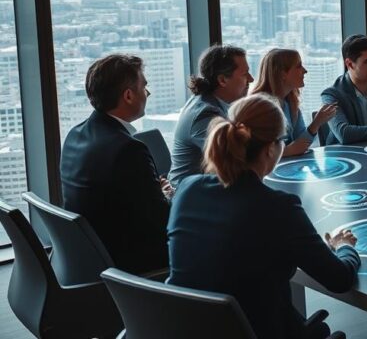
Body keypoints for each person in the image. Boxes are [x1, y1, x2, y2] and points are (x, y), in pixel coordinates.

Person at [167, 94, 360, 339]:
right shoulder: (279, 207)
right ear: (271, 149)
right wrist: (344, 247)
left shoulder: (188, 189)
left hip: (184, 330)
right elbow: (339, 279)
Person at [60, 54, 171, 274]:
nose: (147, 93)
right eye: (144, 87)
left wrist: (151, 193)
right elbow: (162, 223)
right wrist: (168, 197)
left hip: (89, 254)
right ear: (129, 95)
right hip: (127, 262)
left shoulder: (76, 134)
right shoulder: (128, 149)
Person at [168, 44, 252, 185]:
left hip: (206, 188)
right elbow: (236, 160)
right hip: (191, 199)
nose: (251, 79)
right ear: (222, 80)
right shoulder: (205, 114)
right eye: (245, 74)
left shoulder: (214, 102)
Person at [252, 48, 337, 157]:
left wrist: (316, 123)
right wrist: (287, 151)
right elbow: (255, 153)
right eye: (299, 66)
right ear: (283, 74)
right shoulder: (259, 107)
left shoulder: (290, 102)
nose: (305, 71)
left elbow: (300, 143)